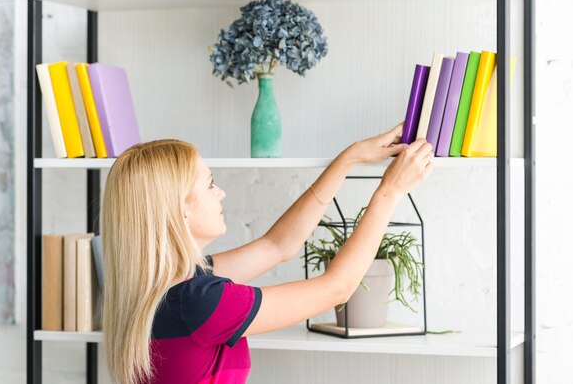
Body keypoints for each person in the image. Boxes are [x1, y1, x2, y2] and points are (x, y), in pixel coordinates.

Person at [101, 123, 434, 384]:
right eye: (210, 184)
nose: (221, 193)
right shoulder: (200, 302)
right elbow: (337, 288)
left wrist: (350, 158)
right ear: (180, 210)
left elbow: (279, 245)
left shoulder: (167, 288)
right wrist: (390, 191)